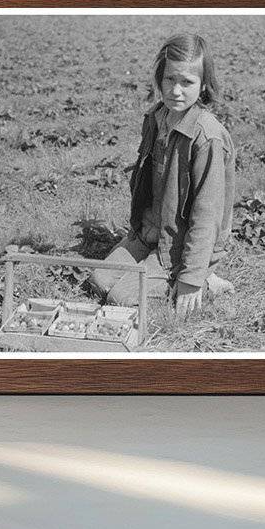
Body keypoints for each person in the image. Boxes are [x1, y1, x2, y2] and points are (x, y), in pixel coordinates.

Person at [90, 33, 236, 319]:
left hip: (178, 247)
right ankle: (153, 262)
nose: (176, 91)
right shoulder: (156, 119)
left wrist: (190, 280)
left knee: (121, 298)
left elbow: (207, 216)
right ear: (160, 77)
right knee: (99, 281)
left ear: (203, 84)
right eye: (170, 79)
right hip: (149, 233)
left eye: (187, 82)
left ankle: (203, 278)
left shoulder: (207, 138)